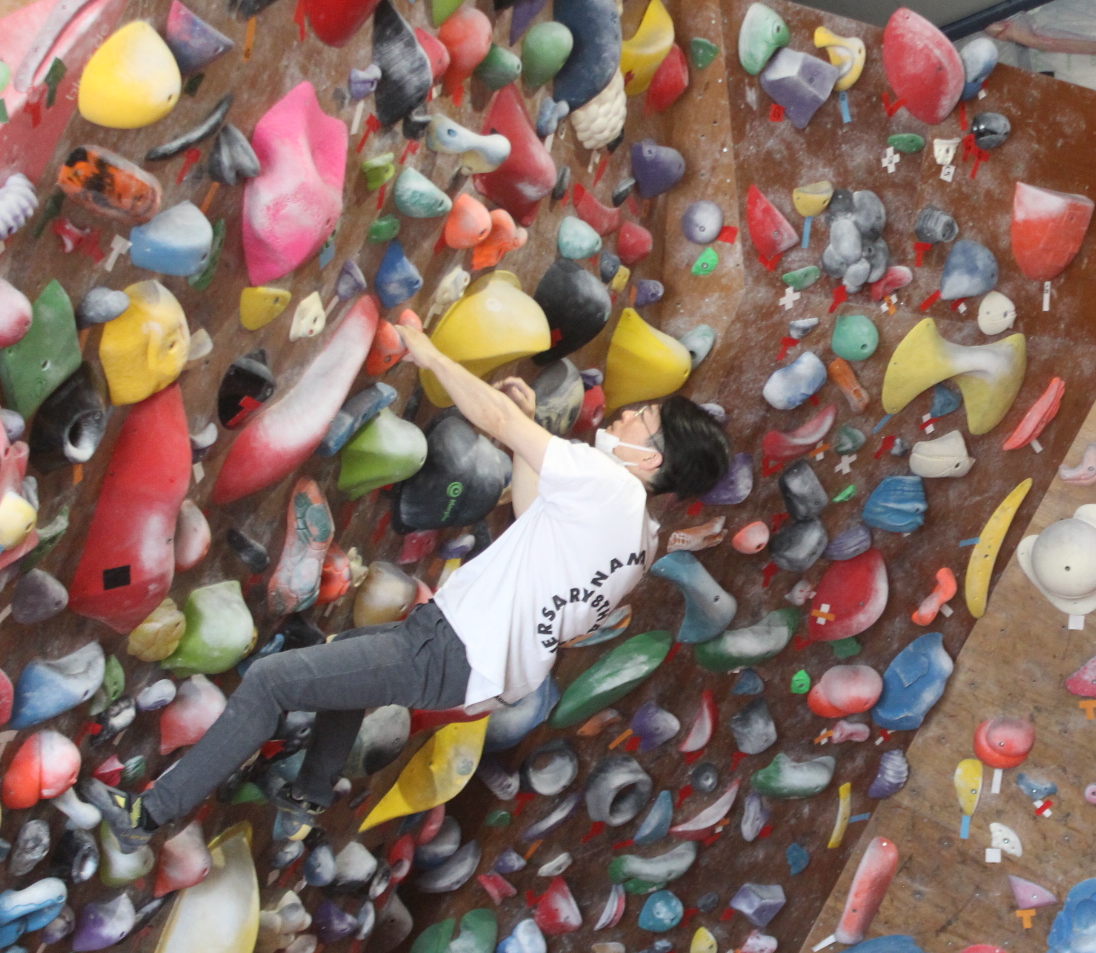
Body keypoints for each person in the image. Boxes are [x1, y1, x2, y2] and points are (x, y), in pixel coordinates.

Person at [88, 323, 731, 848]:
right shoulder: (640, 537)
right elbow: (534, 514)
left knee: (270, 682)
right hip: (475, 667)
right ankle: (310, 793)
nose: (628, 414)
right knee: (350, 665)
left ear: (652, 459)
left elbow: (495, 419)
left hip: (452, 651)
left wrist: (429, 354)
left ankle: (148, 815)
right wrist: (528, 427)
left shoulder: (607, 482)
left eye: (643, 417)